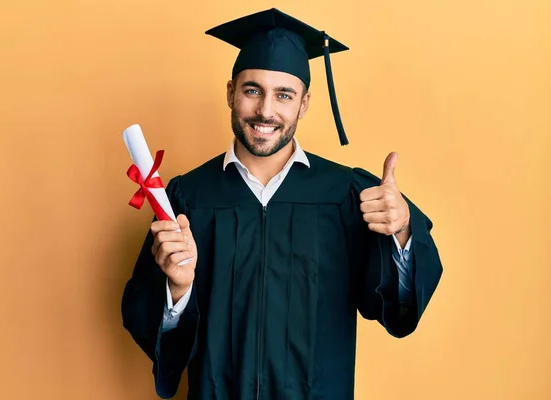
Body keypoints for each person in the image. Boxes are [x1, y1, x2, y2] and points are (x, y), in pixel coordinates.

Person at [121, 8, 443, 400]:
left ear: (304, 104)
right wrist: (177, 291)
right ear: (230, 93)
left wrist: (404, 230)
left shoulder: (347, 195)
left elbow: (396, 310)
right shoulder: (189, 197)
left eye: (284, 95)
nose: (266, 111)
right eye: (252, 90)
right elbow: (149, 322)